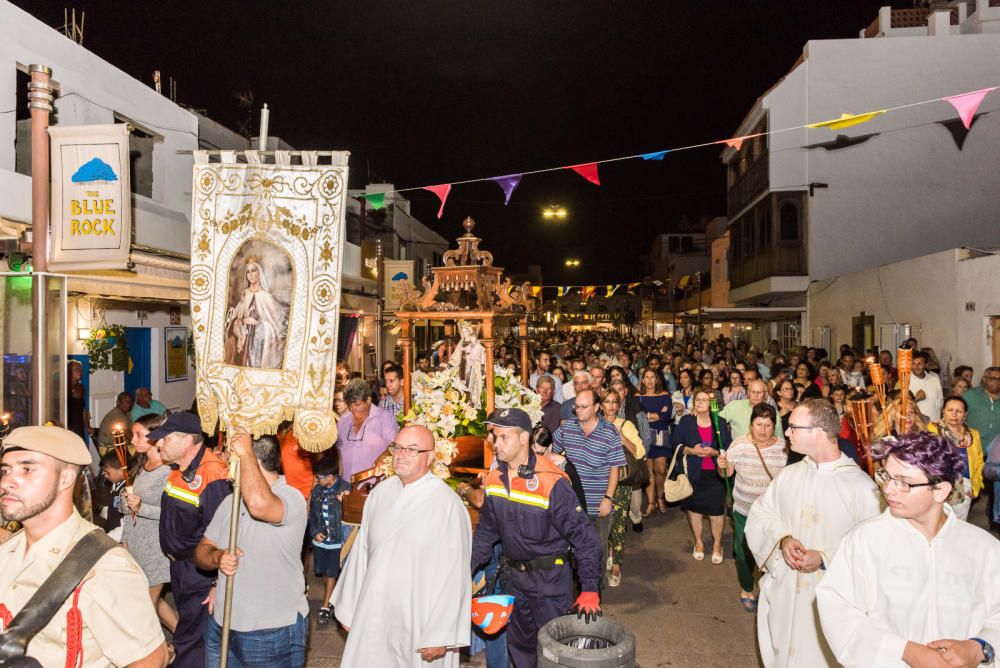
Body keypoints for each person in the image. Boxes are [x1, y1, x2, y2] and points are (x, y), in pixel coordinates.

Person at [816, 431, 1000, 668]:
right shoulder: (865, 541)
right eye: (887, 477)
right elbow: (838, 610)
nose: (889, 490)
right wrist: (904, 651)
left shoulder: (983, 549)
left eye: (904, 482)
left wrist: (978, 647)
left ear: (940, 490)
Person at [0, 425, 168, 667]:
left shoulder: (104, 566)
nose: (8, 481)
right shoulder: (8, 551)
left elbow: (150, 659)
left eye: (27, 469)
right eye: (6, 470)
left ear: (66, 478)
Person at [746, 398, 881, 668]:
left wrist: (824, 558)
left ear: (818, 432)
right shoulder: (790, 475)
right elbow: (761, 515)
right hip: (785, 594)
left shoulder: (862, 489)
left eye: (793, 427)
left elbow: (876, 552)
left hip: (830, 601)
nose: (786, 432)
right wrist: (782, 539)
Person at [472, 409, 602, 668]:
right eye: (493, 436)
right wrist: (463, 571)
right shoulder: (495, 479)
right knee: (520, 647)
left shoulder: (550, 481)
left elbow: (585, 538)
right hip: (514, 580)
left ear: (523, 439)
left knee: (554, 652)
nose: (495, 443)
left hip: (549, 582)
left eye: (502, 437)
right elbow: (486, 533)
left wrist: (589, 589)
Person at [331, 425, 472, 666]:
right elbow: (362, 553)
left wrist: (442, 633)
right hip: (375, 610)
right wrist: (350, 604)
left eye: (411, 450)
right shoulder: (379, 494)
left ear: (429, 457)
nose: (401, 454)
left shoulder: (446, 504)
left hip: (419, 616)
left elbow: (455, 573)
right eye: (398, 447)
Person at [196, 431, 309, 668]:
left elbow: (259, 505)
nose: (224, 459)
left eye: (230, 455)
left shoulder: (291, 497)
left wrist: (245, 452)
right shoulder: (230, 500)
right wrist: (218, 557)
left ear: (248, 460)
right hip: (223, 624)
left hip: (270, 630)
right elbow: (202, 551)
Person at [151, 411, 232, 668]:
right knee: (191, 632)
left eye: (164, 438)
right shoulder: (179, 469)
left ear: (187, 440)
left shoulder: (212, 474)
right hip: (181, 569)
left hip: (202, 571)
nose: (158, 444)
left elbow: (223, 533)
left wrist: (219, 582)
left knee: (192, 642)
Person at [718, 404, 787, 613]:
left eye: (768, 425)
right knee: (743, 551)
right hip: (744, 511)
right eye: (759, 424)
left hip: (773, 513)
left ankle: (772, 589)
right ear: (751, 423)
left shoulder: (784, 448)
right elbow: (726, 475)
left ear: (774, 426)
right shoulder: (738, 445)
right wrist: (721, 465)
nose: (763, 429)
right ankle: (747, 588)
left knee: (774, 553)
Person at [553, 388, 626, 579]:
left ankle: (593, 596)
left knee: (595, 552)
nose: (579, 411)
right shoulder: (567, 429)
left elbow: (614, 468)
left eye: (584, 407)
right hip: (571, 505)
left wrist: (608, 498)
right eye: (576, 407)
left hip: (597, 505)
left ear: (596, 407)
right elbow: (548, 451)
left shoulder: (609, 432)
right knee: (570, 552)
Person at [122, 413, 178, 637]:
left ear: (155, 437)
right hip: (137, 544)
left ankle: (157, 652)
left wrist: (141, 507)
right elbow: (129, 510)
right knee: (152, 601)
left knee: (144, 605)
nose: (133, 440)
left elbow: (173, 513)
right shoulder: (142, 464)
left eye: (139, 435)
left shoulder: (168, 470)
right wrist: (125, 540)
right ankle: (184, 642)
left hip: (155, 546)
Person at [672, 389, 732, 564]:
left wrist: (714, 452)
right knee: (694, 510)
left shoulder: (719, 423)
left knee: (716, 512)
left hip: (715, 474)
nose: (699, 403)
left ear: (712, 404)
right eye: (697, 399)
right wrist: (691, 450)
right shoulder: (686, 421)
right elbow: (675, 443)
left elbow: (727, 448)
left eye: (704, 400)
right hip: (693, 472)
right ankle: (698, 542)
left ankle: (717, 544)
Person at [599, 388, 644, 587]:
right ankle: (608, 552)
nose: (610, 405)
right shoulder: (595, 425)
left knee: (618, 523)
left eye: (614, 402)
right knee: (601, 521)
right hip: (599, 481)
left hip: (621, 483)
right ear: (600, 405)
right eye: (607, 402)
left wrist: (622, 437)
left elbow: (640, 452)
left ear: (618, 405)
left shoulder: (626, 425)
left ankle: (616, 564)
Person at [224, 256, 288, 369]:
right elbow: (232, 323)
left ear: (259, 272)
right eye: (248, 272)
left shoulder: (267, 297)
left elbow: (277, 329)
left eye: (254, 270)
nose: (251, 274)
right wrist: (243, 320)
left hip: (260, 346)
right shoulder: (244, 295)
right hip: (243, 348)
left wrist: (260, 325)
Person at [928, 395, 985, 521]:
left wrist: (975, 484)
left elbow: (980, 461)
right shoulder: (932, 430)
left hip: (964, 487)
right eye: (950, 410)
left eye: (959, 411)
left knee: (958, 524)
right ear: (943, 411)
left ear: (965, 414)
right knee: (936, 522)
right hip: (938, 484)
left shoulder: (973, 435)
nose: (954, 414)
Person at [309, 456, 350, 627]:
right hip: (321, 541)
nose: (316, 480)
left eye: (319, 477)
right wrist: (315, 532)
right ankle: (331, 596)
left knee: (332, 573)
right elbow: (313, 514)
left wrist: (346, 502)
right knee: (325, 572)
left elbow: (353, 515)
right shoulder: (318, 490)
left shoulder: (345, 490)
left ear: (331, 477)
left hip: (336, 540)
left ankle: (325, 607)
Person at [335, 378, 400, 480]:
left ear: (368, 400)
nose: (352, 409)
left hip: (374, 484)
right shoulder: (343, 420)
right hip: (346, 485)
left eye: (357, 405)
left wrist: (383, 456)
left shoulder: (384, 417)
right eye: (350, 405)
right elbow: (339, 448)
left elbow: (394, 445)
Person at [636, 368, 672, 515]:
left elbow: (666, 415)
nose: (650, 380)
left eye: (652, 377)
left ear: (656, 380)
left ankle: (660, 497)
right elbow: (638, 417)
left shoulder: (664, 395)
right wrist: (655, 414)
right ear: (643, 380)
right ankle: (651, 502)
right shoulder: (638, 397)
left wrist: (648, 415)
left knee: (661, 470)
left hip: (661, 436)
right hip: (644, 437)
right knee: (648, 471)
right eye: (647, 377)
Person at [720, 379, 785, 441]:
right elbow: (717, 422)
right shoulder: (735, 406)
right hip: (739, 449)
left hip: (764, 450)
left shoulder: (772, 413)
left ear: (766, 395)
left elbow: (780, 439)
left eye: (759, 392)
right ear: (748, 393)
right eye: (753, 392)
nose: (755, 395)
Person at [898, 351, 944, 422]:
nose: (916, 367)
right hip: (914, 424)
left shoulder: (935, 379)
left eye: (919, 364)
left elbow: (940, 404)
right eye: (913, 364)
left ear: (926, 365)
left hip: (934, 424)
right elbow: (899, 406)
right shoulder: (904, 380)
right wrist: (916, 399)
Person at [965, 366, 1000, 456]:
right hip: (974, 450)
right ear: (984, 379)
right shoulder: (970, 396)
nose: (996, 381)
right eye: (992, 378)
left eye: (999, 379)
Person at [96, 391, 133, 455]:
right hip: (110, 448)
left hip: (120, 446)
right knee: (143, 451)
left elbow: (132, 429)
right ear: (118, 402)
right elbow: (127, 433)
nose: (129, 404)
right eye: (127, 402)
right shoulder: (117, 415)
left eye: (130, 402)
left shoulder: (127, 413)